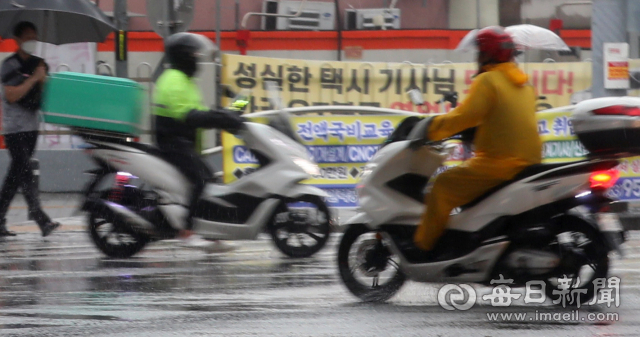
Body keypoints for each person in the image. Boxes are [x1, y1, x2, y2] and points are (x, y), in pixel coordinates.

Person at [413, 26, 542, 256]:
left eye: (479, 52)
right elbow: (503, 118)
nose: (476, 58)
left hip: (499, 163)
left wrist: (431, 129)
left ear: (487, 54)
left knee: (442, 186)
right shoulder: (524, 83)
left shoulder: (488, 81)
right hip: (529, 162)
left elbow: (466, 116)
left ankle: (423, 249)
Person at [153, 32, 245, 252]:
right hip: (173, 142)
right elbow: (190, 115)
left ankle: (211, 233)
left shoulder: (185, 80)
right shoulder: (173, 80)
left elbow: (199, 111)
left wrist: (224, 114)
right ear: (184, 56)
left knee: (210, 181)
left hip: (184, 142)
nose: (197, 59)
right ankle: (187, 232)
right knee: (201, 181)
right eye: (194, 54)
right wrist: (219, 118)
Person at [0, 21, 60, 237]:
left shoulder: (39, 63)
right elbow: (11, 95)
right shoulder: (9, 65)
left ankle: (2, 219)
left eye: (34, 37)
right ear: (17, 40)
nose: (31, 41)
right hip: (14, 129)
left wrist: (43, 80)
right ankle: (40, 218)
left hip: (32, 128)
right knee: (23, 171)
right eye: (27, 37)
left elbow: (46, 97)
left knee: (16, 176)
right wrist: (34, 78)